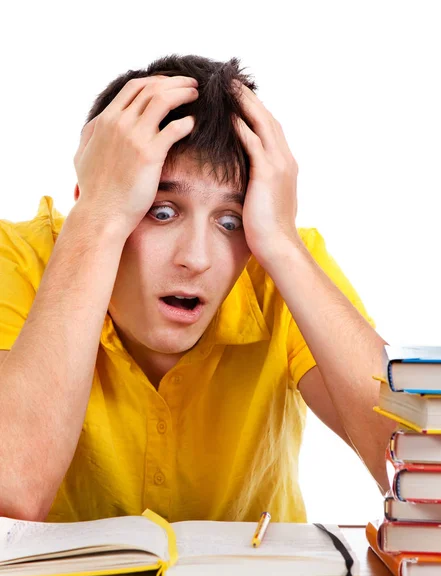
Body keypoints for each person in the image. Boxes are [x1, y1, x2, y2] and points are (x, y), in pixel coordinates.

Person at [0, 55, 395, 524]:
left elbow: (417, 474)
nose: (197, 257)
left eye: (229, 221)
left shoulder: (278, 261)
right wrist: (99, 220)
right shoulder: (21, 259)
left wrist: (283, 245)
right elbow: (11, 491)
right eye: (161, 211)